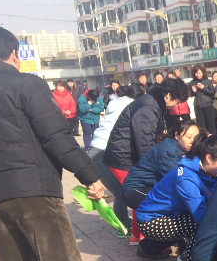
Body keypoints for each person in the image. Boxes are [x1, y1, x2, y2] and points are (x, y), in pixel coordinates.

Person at [0, 25, 117, 261]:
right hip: (35, 191)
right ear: (13, 54)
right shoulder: (26, 83)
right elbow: (56, 136)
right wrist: (90, 176)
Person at [137, 133, 217, 261]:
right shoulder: (186, 178)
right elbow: (201, 215)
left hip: (173, 215)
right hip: (151, 221)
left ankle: (186, 256)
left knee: (198, 223)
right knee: (198, 226)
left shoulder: (207, 172)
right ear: (209, 158)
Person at [103, 77, 189, 243]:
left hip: (129, 155)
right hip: (123, 157)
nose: (176, 105)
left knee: (141, 191)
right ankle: (144, 237)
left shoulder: (154, 103)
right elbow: (144, 141)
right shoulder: (149, 106)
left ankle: (137, 235)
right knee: (139, 191)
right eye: (177, 101)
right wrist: (152, 166)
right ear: (168, 95)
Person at [121, 119, 200, 258]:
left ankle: (151, 246)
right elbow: (181, 182)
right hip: (135, 189)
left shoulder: (180, 148)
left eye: (196, 137)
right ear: (177, 135)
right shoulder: (168, 153)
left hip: (150, 187)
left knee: (182, 212)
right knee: (181, 211)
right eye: (188, 137)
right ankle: (152, 248)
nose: (192, 141)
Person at [88, 85, 138, 229]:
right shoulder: (130, 106)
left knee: (121, 190)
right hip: (101, 153)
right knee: (120, 192)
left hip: (97, 150)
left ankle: (123, 223)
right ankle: (123, 227)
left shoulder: (116, 104)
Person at [76, 87, 105, 152]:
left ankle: (95, 146)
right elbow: (82, 110)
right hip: (85, 118)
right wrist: (88, 104)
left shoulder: (99, 97)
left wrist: (90, 109)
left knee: (95, 133)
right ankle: (87, 147)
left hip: (95, 119)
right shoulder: (81, 99)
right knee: (87, 133)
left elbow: (101, 107)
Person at [190, 65, 217, 135]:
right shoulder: (192, 82)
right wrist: (193, 91)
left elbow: (212, 92)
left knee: (210, 124)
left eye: (199, 73)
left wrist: (203, 88)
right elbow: (189, 94)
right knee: (201, 126)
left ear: (203, 72)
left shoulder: (208, 81)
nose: (198, 75)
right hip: (198, 106)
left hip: (208, 104)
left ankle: (212, 139)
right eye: (196, 73)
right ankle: (203, 139)